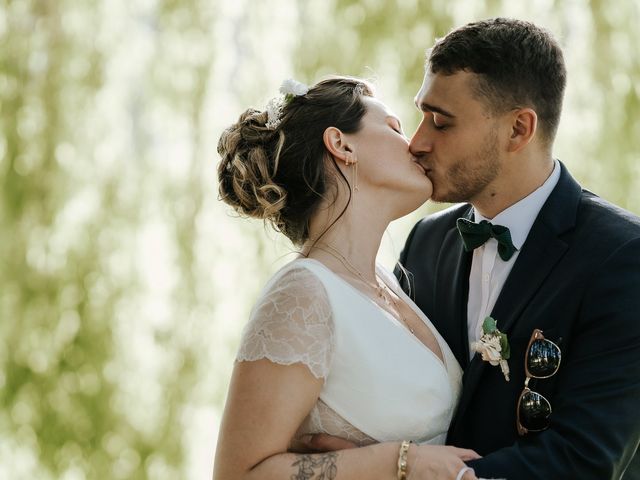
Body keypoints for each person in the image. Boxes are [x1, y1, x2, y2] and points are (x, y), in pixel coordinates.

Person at [305, 17, 640, 479]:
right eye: (421, 114)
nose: (417, 143)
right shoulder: (426, 243)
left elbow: (583, 461)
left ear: (518, 130)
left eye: (441, 123)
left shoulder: (622, 256)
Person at [212, 77, 491, 480]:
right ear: (342, 145)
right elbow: (238, 474)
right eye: (394, 127)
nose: (414, 143)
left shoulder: (388, 287)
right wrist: (400, 463)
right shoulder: (303, 293)